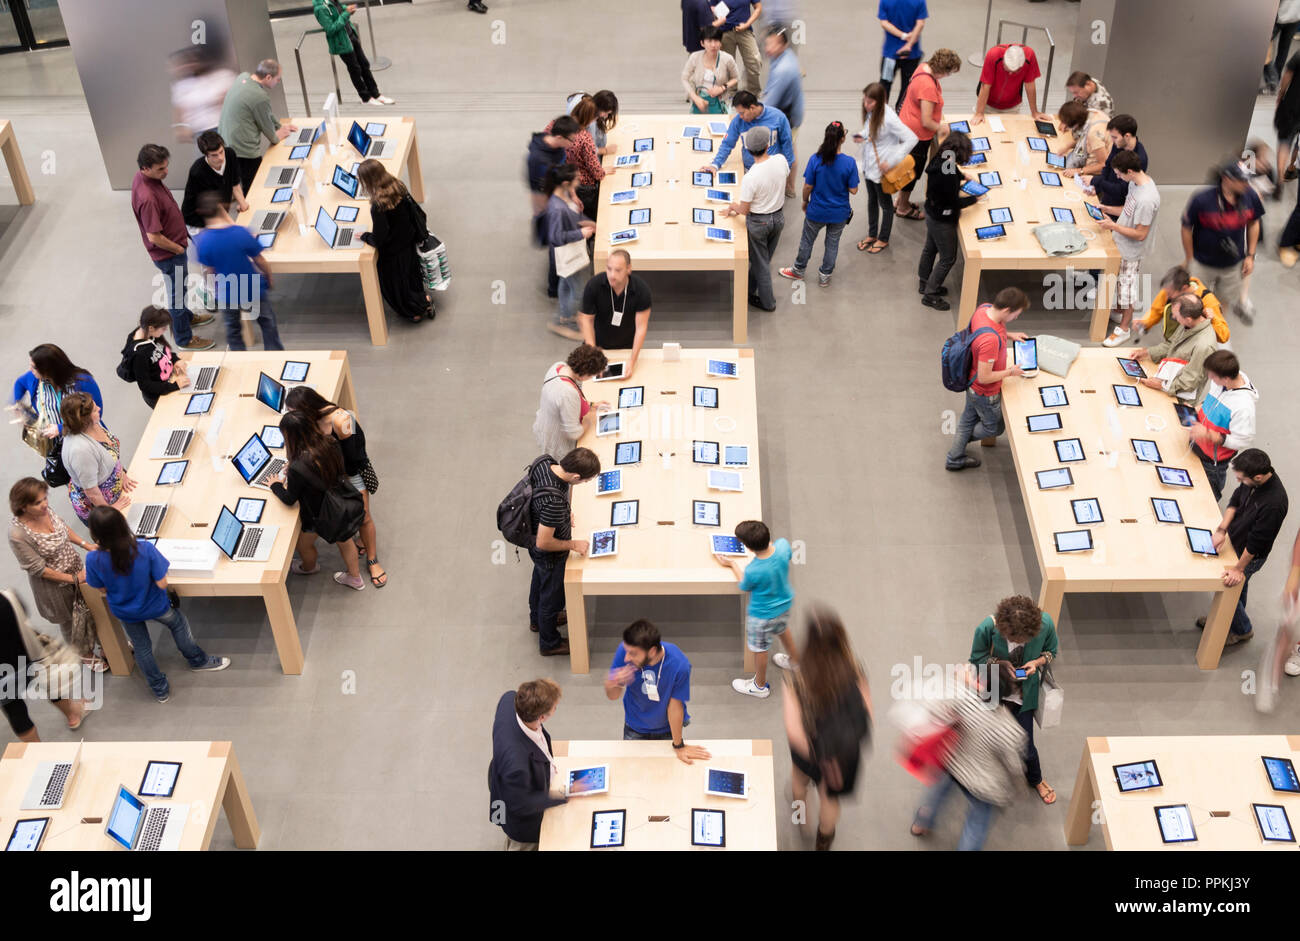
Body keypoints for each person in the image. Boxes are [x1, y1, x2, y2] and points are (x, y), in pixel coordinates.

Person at [85, 507, 230, 702]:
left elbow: (101, 589)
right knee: (178, 624)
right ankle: (198, 660)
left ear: (95, 533)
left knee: (142, 648)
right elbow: (162, 583)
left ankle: (159, 689)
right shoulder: (144, 549)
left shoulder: (93, 559)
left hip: (125, 612)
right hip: (155, 606)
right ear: (122, 525)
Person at [782, 605, 872, 851]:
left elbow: (794, 730)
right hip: (840, 754)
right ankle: (823, 841)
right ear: (840, 638)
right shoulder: (855, 670)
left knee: (799, 784)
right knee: (830, 799)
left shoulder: (795, 679)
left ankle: (801, 821)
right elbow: (866, 715)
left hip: (808, 751)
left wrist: (815, 756)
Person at [285, 386, 386, 589]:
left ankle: (373, 560)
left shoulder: (341, 420)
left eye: (294, 412)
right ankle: (359, 543)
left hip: (350, 473)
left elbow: (352, 458)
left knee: (364, 517)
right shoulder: (311, 419)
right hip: (333, 473)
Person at [909, 679, 1027, 850]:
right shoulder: (1009, 729)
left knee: (937, 794)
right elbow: (1014, 767)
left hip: (954, 764)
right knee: (977, 824)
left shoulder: (965, 696)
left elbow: (936, 708)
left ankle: (921, 823)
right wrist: (1019, 788)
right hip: (983, 785)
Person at [969, 595, 1059, 805]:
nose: (1020, 643)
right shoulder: (987, 628)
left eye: (1025, 641)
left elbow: (1051, 652)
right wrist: (998, 663)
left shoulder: (1045, 623)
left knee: (1026, 744)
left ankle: (1035, 778)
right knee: (986, 734)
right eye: (1016, 640)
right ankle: (986, 772)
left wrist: (1036, 662)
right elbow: (976, 658)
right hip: (994, 690)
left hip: (1024, 695)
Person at [1198, 449, 1289, 646]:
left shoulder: (1273, 504)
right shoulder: (1253, 481)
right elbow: (1237, 499)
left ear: (1257, 476)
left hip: (1250, 554)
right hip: (1236, 540)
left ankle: (1241, 629)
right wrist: (1222, 530)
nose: (1239, 482)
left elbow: (1257, 542)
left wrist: (1238, 568)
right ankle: (1229, 620)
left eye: (1242, 479)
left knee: (1230, 584)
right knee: (1239, 588)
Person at [8, 478, 101, 669]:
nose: (44, 504)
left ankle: (107, 643)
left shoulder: (45, 511)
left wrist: (86, 545)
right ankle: (84, 653)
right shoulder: (18, 535)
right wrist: (74, 580)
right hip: (55, 587)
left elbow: (62, 528)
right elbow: (38, 569)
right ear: (23, 507)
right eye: (37, 502)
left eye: (44, 499)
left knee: (92, 608)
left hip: (75, 569)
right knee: (70, 621)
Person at [131, 143, 214, 352]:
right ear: (145, 168)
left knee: (181, 289)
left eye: (166, 166)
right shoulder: (147, 198)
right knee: (177, 295)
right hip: (169, 254)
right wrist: (177, 249)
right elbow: (154, 236)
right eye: (160, 169)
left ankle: (186, 317)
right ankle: (184, 338)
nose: (166, 172)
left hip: (174, 248)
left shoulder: (145, 178)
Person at [270, 412, 365, 590]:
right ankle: (355, 577)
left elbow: (290, 499)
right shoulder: (329, 442)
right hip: (342, 499)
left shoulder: (297, 467)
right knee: (346, 542)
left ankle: (309, 567)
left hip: (321, 514)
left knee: (303, 545)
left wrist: (275, 485)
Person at [944, 287, 1030, 470]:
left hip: (971, 383)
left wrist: (1010, 335)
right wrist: (1010, 372)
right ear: (1007, 310)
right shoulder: (990, 341)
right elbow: (985, 377)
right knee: (994, 428)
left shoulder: (984, 309)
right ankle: (959, 444)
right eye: (1016, 314)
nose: (1016, 318)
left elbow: (987, 331)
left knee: (967, 420)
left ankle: (955, 456)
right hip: (985, 393)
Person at [527, 448, 601, 657]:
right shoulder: (553, 503)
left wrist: (564, 514)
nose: (583, 484)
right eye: (584, 481)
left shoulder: (544, 462)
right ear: (576, 477)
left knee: (539, 583)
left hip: (532, 537)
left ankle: (536, 621)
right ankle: (549, 643)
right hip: (549, 555)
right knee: (552, 599)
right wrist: (572, 544)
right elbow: (544, 542)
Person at [605, 619, 711, 761]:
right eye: (627, 651)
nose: (626, 657)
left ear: (652, 651)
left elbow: (675, 707)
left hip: (666, 728)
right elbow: (612, 696)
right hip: (634, 727)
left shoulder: (679, 664)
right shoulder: (625, 651)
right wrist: (613, 682)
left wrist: (678, 745)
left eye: (633, 653)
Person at [194, 191, 285, 350]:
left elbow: (210, 270)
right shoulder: (241, 233)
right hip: (252, 288)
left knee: (233, 330)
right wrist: (268, 277)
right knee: (267, 322)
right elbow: (260, 260)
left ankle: (239, 359)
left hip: (226, 293)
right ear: (221, 207)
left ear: (200, 212)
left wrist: (216, 291)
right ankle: (275, 354)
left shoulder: (203, 242)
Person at [715, 520, 797, 698]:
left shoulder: (753, 570)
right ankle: (796, 661)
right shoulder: (782, 545)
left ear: (748, 548)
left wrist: (732, 564)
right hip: (783, 604)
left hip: (762, 616)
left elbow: (744, 586)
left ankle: (759, 686)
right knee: (783, 629)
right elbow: (786, 554)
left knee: (760, 648)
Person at [487, 679, 567, 850]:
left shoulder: (510, 699)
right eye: (555, 707)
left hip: (508, 780)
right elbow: (523, 804)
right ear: (542, 717)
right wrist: (563, 796)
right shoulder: (517, 765)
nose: (556, 708)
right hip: (523, 822)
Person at [778, 122, 859, 287]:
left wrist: (804, 201)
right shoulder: (849, 162)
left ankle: (798, 270)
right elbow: (854, 190)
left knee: (807, 240)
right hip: (839, 213)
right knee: (832, 243)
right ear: (842, 139)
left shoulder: (816, 159)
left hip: (817, 211)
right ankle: (824, 275)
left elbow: (808, 186)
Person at [0, 590, 89, 739]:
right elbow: (23, 615)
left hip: (3, 676)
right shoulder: (6, 597)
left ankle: (35, 752)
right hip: (28, 656)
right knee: (50, 684)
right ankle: (72, 715)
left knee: (15, 711)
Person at [1181, 163, 1264, 321]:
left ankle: (1218, 333)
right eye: (1242, 181)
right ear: (1227, 179)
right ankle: (1193, 332)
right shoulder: (1202, 200)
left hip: (1232, 265)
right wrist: (1190, 258)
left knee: (1223, 301)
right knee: (1194, 301)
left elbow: (1254, 223)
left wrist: (1250, 256)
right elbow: (1186, 228)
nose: (1246, 184)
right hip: (1202, 263)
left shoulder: (1250, 196)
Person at [357, 158, 434, 323]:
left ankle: (414, 311)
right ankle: (422, 302)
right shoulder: (397, 186)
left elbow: (380, 237)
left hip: (394, 251)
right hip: (408, 240)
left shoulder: (378, 205)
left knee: (396, 283)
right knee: (411, 275)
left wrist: (364, 236)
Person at [1098, 150, 1160, 347]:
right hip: (1120, 241)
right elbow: (1127, 209)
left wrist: (1114, 226)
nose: (1117, 177)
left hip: (1131, 251)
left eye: (1119, 173)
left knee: (1127, 289)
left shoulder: (1147, 200)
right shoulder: (1135, 183)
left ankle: (1124, 329)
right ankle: (1118, 311)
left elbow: (1141, 233)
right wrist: (1107, 209)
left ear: (1130, 171)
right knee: (1118, 283)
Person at [723, 126, 788, 311]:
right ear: (768, 145)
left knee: (761, 264)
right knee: (763, 259)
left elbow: (744, 209)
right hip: (778, 218)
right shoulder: (781, 160)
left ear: (748, 149)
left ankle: (768, 304)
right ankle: (749, 289)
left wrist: (732, 207)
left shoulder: (751, 177)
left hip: (759, 222)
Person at [895, 47, 962, 219]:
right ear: (944, 70)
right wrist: (942, 128)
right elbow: (926, 121)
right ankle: (903, 207)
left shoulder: (923, 67)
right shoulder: (928, 86)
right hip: (916, 135)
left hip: (906, 127)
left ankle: (900, 201)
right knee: (912, 172)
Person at [852, 81, 917, 254]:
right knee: (872, 201)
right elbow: (871, 130)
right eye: (865, 100)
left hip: (882, 170)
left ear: (880, 101)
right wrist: (862, 136)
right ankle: (872, 234)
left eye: (870, 102)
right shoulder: (873, 112)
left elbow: (912, 138)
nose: (866, 105)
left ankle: (884, 238)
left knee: (886, 205)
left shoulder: (890, 118)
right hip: (869, 166)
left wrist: (892, 160)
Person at [216, 60, 297, 192]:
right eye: (277, 79)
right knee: (254, 184)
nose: (278, 82)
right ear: (268, 77)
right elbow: (270, 132)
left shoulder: (243, 77)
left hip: (227, 141)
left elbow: (265, 113)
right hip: (243, 150)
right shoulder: (260, 96)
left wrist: (279, 126)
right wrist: (278, 134)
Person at [917, 130, 977, 309]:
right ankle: (931, 293)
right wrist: (975, 198)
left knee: (930, 248)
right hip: (942, 219)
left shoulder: (941, 158)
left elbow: (951, 170)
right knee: (948, 257)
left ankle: (925, 282)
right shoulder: (948, 177)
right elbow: (954, 202)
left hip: (931, 211)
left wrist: (963, 176)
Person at [1190, 350, 1259, 501]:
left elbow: (1242, 440)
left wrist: (1209, 434)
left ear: (1226, 379)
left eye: (1212, 376)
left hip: (1211, 464)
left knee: (1206, 501)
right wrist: (1200, 407)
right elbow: (1215, 401)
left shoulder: (1243, 407)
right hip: (1196, 445)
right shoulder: (1225, 381)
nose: (1209, 378)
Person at [1128, 295, 1218, 407]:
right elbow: (1171, 345)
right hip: (1167, 379)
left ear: (1188, 319)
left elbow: (1190, 381)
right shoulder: (1188, 324)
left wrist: (1162, 385)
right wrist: (1147, 352)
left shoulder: (1204, 346)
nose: (1174, 318)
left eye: (1176, 316)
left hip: (1179, 398)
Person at [59, 393, 134, 523]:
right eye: (94, 409)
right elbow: (92, 492)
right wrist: (111, 510)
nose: (99, 408)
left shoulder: (93, 424)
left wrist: (122, 473)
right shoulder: (80, 451)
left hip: (116, 487)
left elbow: (110, 452)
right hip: (101, 507)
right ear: (84, 419)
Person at [11, 344, 104, 448]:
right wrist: (17, 405)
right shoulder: (34, 378)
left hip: (86, 442)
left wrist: (61, 429)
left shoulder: (84, 382)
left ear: (48, 370)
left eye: (34, 367)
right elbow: (20, 383)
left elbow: (95, 415)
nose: (30, 370)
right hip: (57, 447)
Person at [541, 165, 594, 342]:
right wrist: (581, 233)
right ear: (565, 183)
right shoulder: (556, 208)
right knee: (577, 290)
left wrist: (587, 222)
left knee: (565, 283)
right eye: (576, 179)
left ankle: (564, 316)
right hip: (568, 253)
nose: (579, 182)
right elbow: (556, 237)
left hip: (567, 256)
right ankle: (565, 320)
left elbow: (572, 217)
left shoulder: (564, 196)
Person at [578, 250, 652, 375]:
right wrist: (594, 354)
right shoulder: (594, 285)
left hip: (626, 346)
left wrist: (632, 361)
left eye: (618, 270)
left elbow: (641, 328)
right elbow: (586, 319)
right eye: (609, 269)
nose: (612, 275)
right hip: (598, 344)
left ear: (628, 269)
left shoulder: (641, 290)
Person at [532, 344, 610, 460]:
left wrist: (591, 405)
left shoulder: (559, 366)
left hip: (545, 425)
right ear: (584, 374)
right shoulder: (567, 393)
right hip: (558, 441)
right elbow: (574, 432)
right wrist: (589, 421)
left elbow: (564, 402)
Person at [313, 0, 394, 106]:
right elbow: (331, 29)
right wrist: (346, 13)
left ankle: (376, 94)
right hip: (342, 43)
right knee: (355, 69)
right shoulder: (320, 8)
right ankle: (365, 97)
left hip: (351, 36)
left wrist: (347, 9)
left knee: (364, 64)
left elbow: (340, 11)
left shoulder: (333, 1)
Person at [1133, 265, 1230, 345]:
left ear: (1184, 288)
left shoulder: (1207, 300)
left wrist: (1212, 319)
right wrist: (1145, 323)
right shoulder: (1170, 289)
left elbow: (1224, 335)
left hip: (1191, 348)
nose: (1166, 297)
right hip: (1172, 344)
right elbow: (1157, 310)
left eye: (1170, 295)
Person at [761, 26, 804, 197]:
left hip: (789, 116)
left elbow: (771, 101)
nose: (767, 49)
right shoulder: (784, 56)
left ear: (783, 45)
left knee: (788, 151)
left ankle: (790, 187)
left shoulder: (783, 69)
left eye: (771, 45)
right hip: (790, 108)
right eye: (767, 44)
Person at [707, 90, 795, 173]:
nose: (740, 116)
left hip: (772, 170)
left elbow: (787, 142)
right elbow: (727, 144)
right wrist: (715, 165)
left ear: (752, 108)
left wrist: (787, 167)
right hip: (749, 170)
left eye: (742, 113)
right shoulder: (738, 121)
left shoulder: (778, 117)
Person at [121, 306, 190, 409]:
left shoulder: (150, 334)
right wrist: (175, 386)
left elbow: (161, 350)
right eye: (163, 328)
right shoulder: (138, 354)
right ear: (151, 328)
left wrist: (175, 360)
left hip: (170, 380)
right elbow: (145, 385)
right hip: (159, 395)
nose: (165, 330)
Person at [544, 104, 605, 220]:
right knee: (591, 219)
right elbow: (596, 172)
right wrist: (603, 171)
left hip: (564, 182)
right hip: (584, 186)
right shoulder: (585, 138)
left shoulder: (556, 124)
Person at [180, 131, 248, 231]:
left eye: (221, 151)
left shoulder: (230, 154)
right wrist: (235, 227)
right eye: (214, 155)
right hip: (197, 219)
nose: (220, 158)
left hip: (218, 212)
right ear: (206, 155)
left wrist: (243, 205)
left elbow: (235, 184)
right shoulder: (198, 172)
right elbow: (216, 207)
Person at [1085, 114, 1147, 214]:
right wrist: (1098, 188)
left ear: (1127, 136)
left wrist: (1095, 180)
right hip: (1108, 196)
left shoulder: (1140, 159)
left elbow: (1122, 190)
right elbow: (1107, 166)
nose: (1112, 140)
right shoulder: (1118, 144)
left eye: (1114, 137)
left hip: (1119, 207)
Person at [973, 43, 1049, 123]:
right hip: (987, 105)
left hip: (1012, 107)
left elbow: (1030, 85)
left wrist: (1034, 112)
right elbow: (985, 86)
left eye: (1015, 71)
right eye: (1007, 69)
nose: (1010, 74)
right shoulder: (993, 54)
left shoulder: (1030, 55)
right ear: (1004, 60)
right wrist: (979, 113)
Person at [878, 0, 928, 110]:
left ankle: (882, 113)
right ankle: (900, 111)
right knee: (907, 86)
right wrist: (909, 44)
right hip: (912, 54)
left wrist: (903, 36)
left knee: (885, 84)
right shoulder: (919, 1)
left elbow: (884, 23)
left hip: (890, 54)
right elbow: (920, 24)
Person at [526, 116, 581, 215]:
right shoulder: (538, 160)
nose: (574, 144)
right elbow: (542, 190)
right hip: (545, 196)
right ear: (559, 137)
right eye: (572, 140)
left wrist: (573, 195)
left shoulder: (558, 145)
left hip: (558, 189)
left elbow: (564, 169)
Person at [683, 27, 739, 115]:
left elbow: (736, 78)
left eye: (716, 41)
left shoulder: (727, 58)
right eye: (709, 41)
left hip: (720, 102)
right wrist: (695, 97)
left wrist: (722, 88)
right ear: (702, 43)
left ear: (720, 43)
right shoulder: (695, 57)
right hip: (699, 100)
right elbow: (684, 78)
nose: (713, 45)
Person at [715, 0, 763, 97]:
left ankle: (753, 92)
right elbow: (712, 9)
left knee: (754, 60)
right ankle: (730, 91)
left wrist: (747, 24)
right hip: (725, 32)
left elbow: (758, 7)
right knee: (726, 64)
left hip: (745, 31)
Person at [1055, 99, 1109, 179]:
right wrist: (1067, 146)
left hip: (1094, 173)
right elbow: (1084, 139)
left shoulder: (1094, 134)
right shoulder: (1090, 113)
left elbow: (1103, 164)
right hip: (1087, 157)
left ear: (1075, 125)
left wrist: (1079, 171)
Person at [1274, 47, 1300, 194]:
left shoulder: (1299, 54)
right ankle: (1291, 168)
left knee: (1285, 140)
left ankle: (1279, 179)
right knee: (1298, 141)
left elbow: (1287, 76)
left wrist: (1281, 94)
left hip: (1292, 105)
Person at [565, 90, 619, 155]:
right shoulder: (590, 123)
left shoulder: (582, 97)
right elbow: (589, 150)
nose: (606, 116)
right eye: (606, 113)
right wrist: (606, 150)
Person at [1266, 0, 1300, 92]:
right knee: (1283, 50)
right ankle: (1274, 81)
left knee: (1264, 46)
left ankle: (1273, 79)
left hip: (1279, 16)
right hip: (1295, 17)